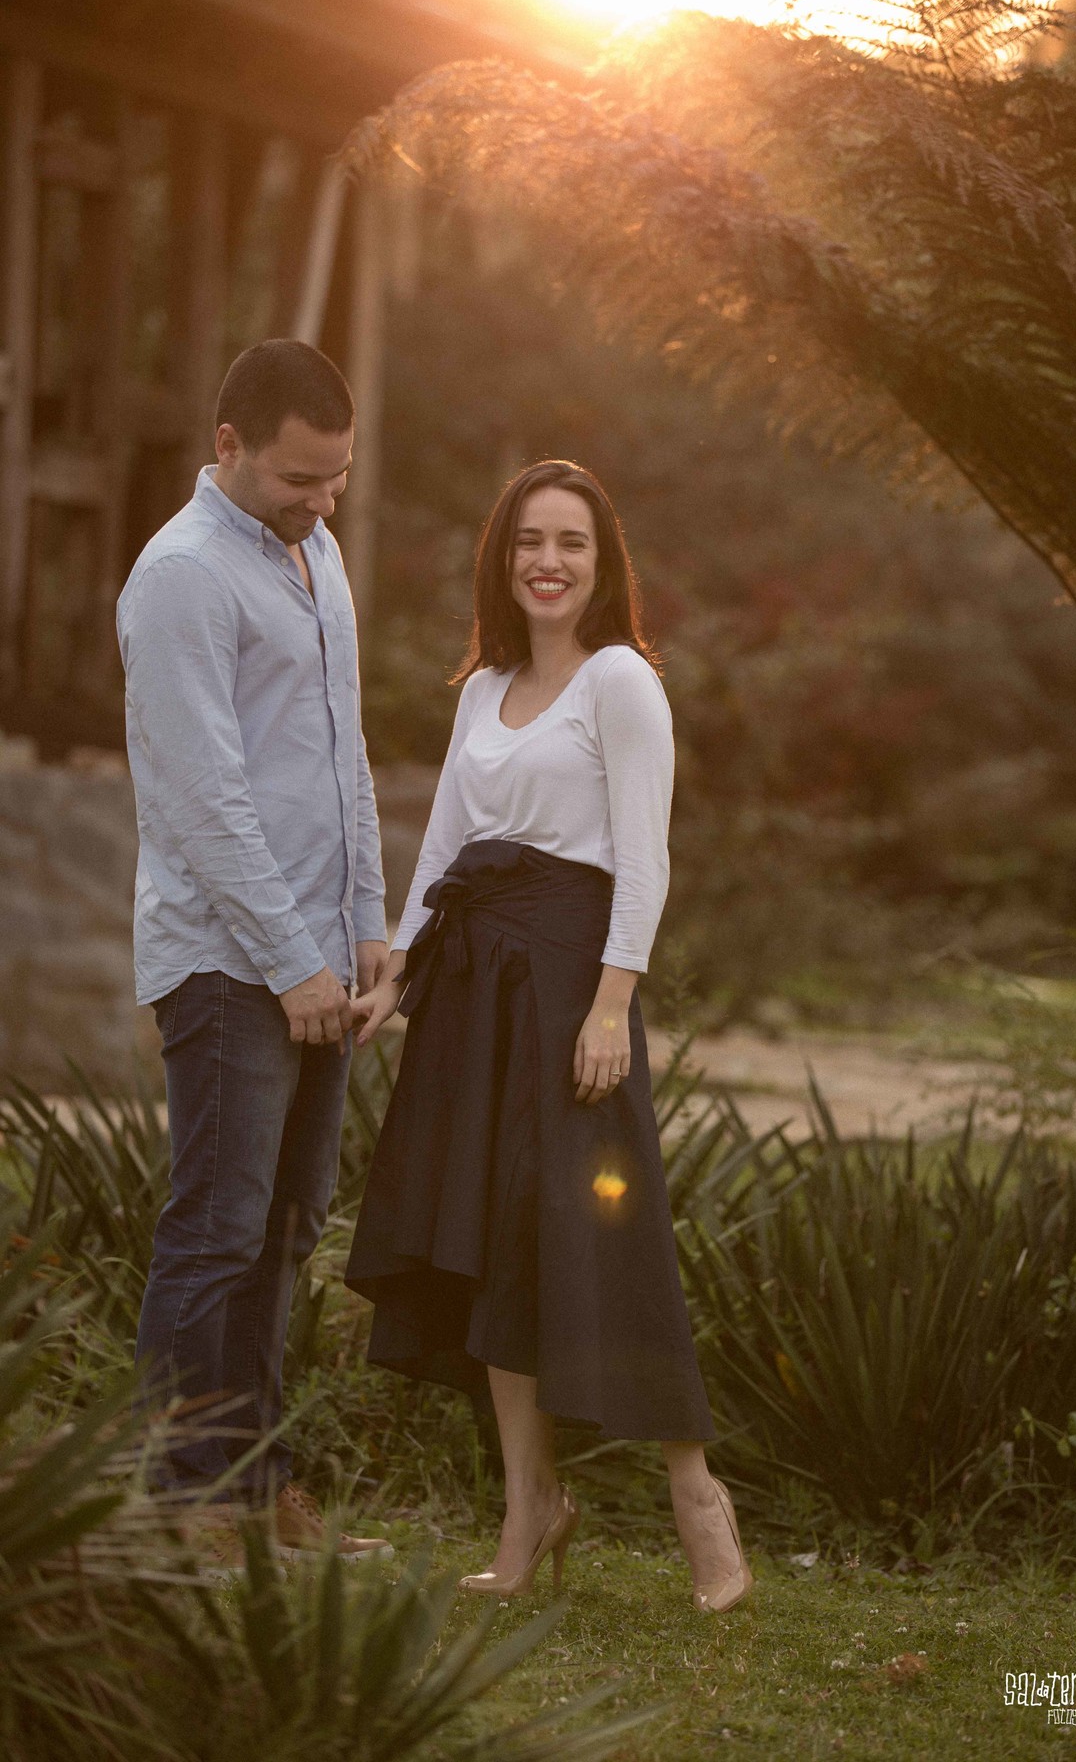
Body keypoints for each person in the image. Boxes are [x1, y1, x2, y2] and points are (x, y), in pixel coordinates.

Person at [346, 459, 751, 1612]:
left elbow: (646, 852)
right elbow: (445, 853)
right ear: (503, 555)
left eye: (572, 541)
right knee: (489, 1238)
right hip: (473, 987)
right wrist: (399, 978)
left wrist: (613, 1003)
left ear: (603, 562)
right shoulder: (485, 689)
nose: (548, 561)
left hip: (575, 985)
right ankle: (530, 1508)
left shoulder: (622, 681)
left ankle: (697, 1495)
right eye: (529, 539)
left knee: (604, 1234)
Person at [117, 339, 391, 1560]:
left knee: (285, 1230)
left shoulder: (317, 555)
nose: (321, 502)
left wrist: (368, 923)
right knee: (216, 1232)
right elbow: (205, 800)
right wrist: (294, 961)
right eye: (298, 480)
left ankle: (253, 1496)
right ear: (227, 446)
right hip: (233, 970)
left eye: (336, 479)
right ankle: (180, 1514)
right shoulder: (178, 578)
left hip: (322, 960)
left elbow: (345, 756)